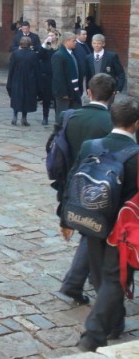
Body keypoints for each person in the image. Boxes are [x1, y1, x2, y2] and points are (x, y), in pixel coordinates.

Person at [70, 97, 139, 352]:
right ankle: (93, 335)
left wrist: (67, 219)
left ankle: (115, 323)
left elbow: (73, 179)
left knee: (102, 276)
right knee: (114, 279)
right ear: (136, 124)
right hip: (122, 230)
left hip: (92, 221)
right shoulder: (136, 155)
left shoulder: (90, 146)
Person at [52, 73, 116, 307]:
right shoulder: (112, 123)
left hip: (72, 184)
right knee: (96, 233)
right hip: (100, 188)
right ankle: (85, 285)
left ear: (88, 92)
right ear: (113, 96)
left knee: (91, 233)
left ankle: (77, 281)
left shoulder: (69, 117)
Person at [7, 36, 39, 126]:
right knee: (26, 99)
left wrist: (10, 80)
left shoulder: (15, 54)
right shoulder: (33, 55)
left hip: (17, 79)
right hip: (29, 80)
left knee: (16, 98)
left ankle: (15, 115)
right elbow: (37, 69)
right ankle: (24, 118)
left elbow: (11, 68)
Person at [52, 32, 82, 119]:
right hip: (64, 93)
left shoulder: (72, 53)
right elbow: (58, 76)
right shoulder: (59, 55)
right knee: (63, 115)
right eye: (73, 41)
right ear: (66, 41)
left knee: (74, 115)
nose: (75, 43)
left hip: (74, 90)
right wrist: (63, 93)